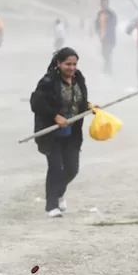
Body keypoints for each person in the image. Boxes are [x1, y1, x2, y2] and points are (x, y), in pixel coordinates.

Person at [30, 48, 89, 218]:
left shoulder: (79, 78)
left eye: (74, 64)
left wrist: (89, 107)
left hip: (73, 131)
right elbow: (36, 103)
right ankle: (51, 205)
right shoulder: (48, 81)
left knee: (72, 169)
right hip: (52, 132)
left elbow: (79, 100)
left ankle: (59, 192)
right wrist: (55, 116)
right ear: (59, 64)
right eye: (68, 64)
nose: (71, 68)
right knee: (55, 167)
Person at [94, 0, 118, 74]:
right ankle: (107, 68)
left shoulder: (112, 14)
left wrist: (107, 28)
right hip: (103, 38)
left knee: (107, 53)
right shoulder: (99, 13)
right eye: (103, 4)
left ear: (108, 4)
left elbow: (114, 24)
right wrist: (98, 32)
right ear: (101, 5)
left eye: (106, 4)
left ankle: (108, 70)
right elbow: (96, 24)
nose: (104, 5)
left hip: (110, 38)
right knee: (104, 53)